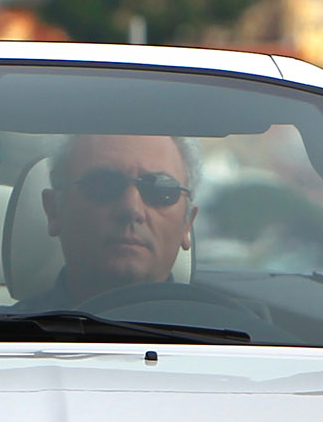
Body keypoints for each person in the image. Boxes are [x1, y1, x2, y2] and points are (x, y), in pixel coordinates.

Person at [12, 132, 197, 310]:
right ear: (54, 211)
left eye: (160, 190)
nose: (131, 209)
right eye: (103, 184)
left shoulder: (218, 335)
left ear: (187, 223)